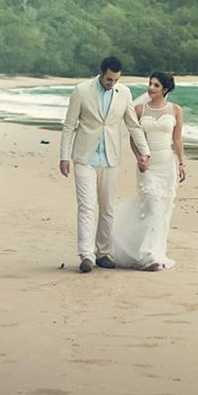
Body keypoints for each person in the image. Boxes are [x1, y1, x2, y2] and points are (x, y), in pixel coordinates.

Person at [59, 56, 149, 273]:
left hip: (111, 158)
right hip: (85, 158)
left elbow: (133, 125)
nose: (112, 83)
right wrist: (64, 156)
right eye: (109, 79)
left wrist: (145, 152)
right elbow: (69, 125)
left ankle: (103, 253)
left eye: (116, 80)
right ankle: (86, 255)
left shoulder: (124, 93)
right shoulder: (82, 91)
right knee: (87, 206)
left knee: (107, 208)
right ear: (101, 73)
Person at [109, 71, 188, 271]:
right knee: (151, 206)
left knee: (163, 210)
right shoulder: (139, 110)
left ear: (165, 89)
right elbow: (134, 138)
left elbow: (177, 139)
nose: (151, 88)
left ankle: (156, 253)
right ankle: (147, 256)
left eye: (156, 85)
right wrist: (140, 158)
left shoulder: (175, 110)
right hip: (148, 165)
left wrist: (181, 163)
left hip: (167, 165)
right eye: (150, 83)